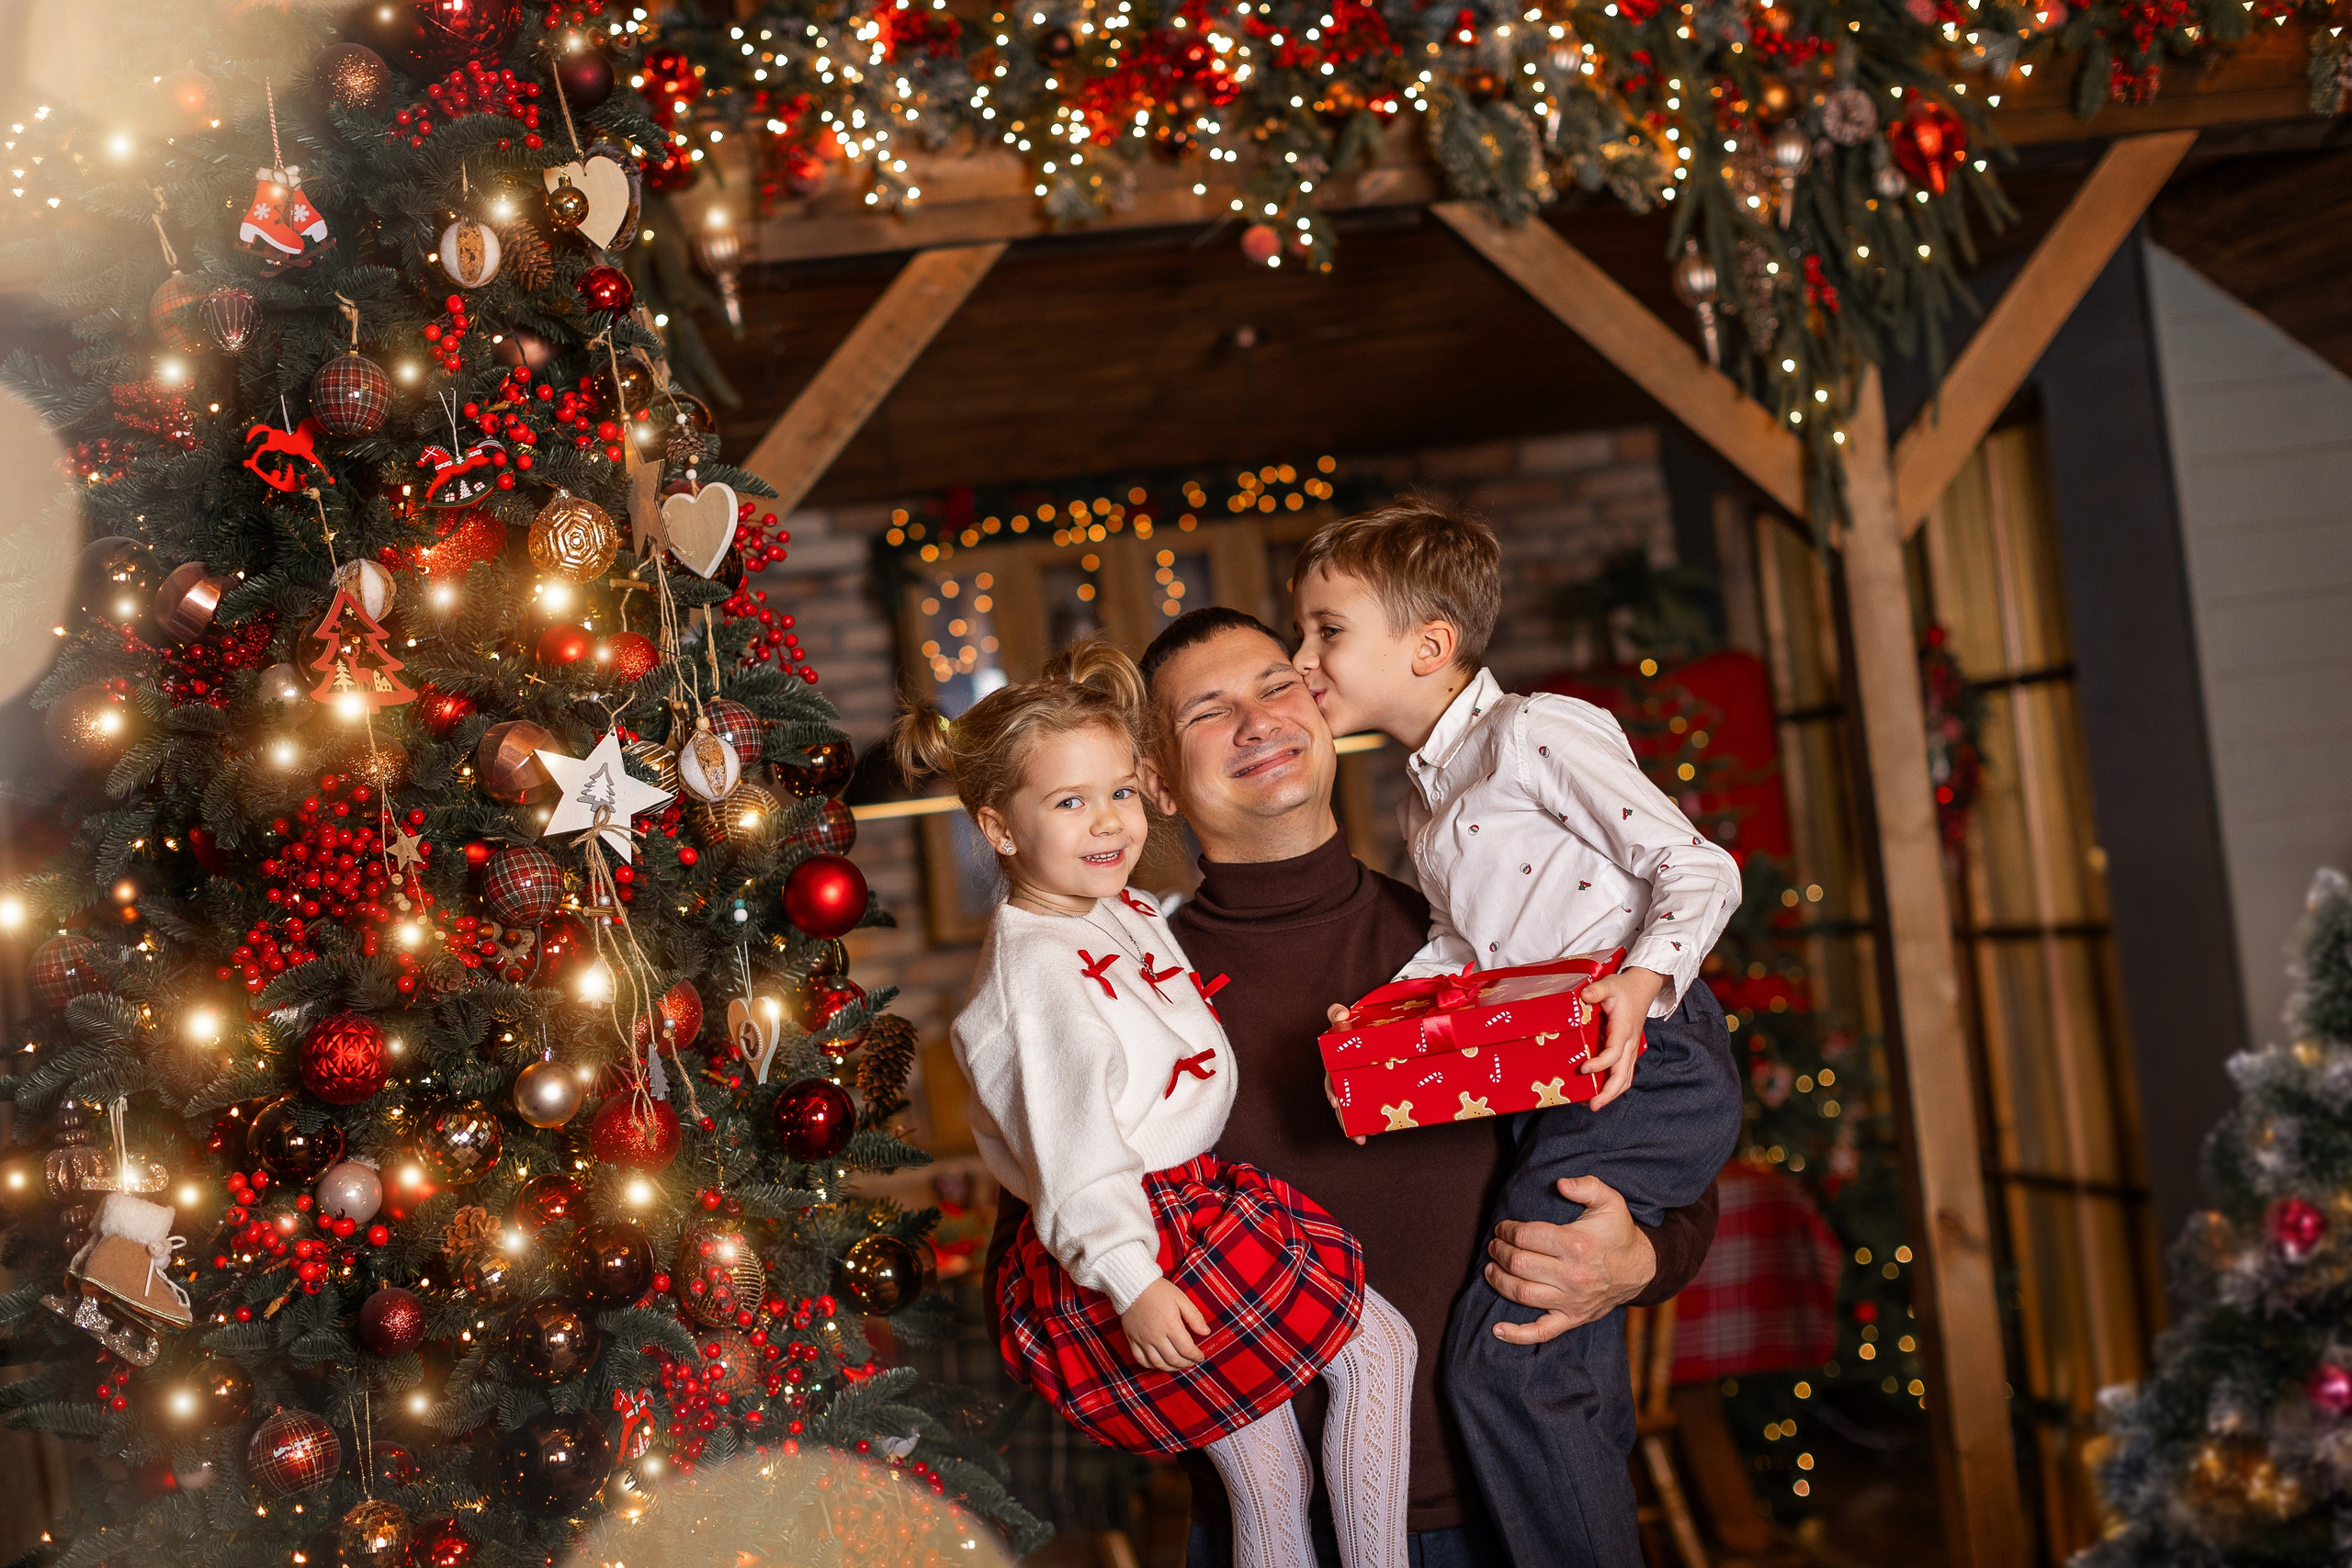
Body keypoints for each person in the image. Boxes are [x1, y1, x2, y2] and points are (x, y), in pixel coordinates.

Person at [985, 608, 1721, 1568]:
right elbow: (1049, 1244)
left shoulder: (1491, 939)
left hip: (1524, 1505)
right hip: (1281, 1531)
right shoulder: (1123, 986)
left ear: (1322, 711)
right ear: (1155, 783)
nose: (1256, 721)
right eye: (1208, 710)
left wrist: (1641, 1259)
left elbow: (1662, 1158)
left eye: (1276, 685)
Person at [896, 639, 1418, 1568]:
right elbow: (1071, 1151)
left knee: (1286, 1454)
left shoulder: (1114, 907)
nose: (1107, 823)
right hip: (1134, 1237)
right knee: (1356, 1372)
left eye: (1120, 793)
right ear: (1000, 828)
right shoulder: (1035, 974)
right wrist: (1131, 1281)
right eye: (1069, 802)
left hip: (1193, 1203)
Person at [1290, 501, 1745, 1568]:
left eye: (1326, 630)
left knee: (1511, 1367)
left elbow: (1699, 869)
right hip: (1563, 1073)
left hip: (1646, 1057)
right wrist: (1392, 1011)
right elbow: (1466, 943)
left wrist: (1641, 985)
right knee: (1557, 1376)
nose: (1303, 656)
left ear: (1429, 644)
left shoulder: (1535, 732)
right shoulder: (1426, 793)